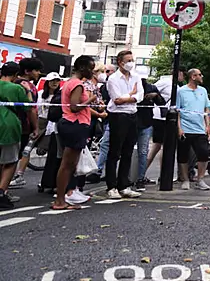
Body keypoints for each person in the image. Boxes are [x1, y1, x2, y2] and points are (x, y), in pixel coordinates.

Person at [53, 56, 102, 210]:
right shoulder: (77, 84)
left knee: (69, 164)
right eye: (90, 68)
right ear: (81, 68)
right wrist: (91, 99)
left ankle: (63, 198)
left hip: (72, 124)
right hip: (75, 124)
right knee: (67, 164)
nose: (92, 72)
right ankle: (60, 200)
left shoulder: (70, 82)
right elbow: (74, 107)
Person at [105, 50, 144, 199]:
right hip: (118, 116)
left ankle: (124, 184)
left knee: (128, 151)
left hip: (132, 115)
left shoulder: (136, 77)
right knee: (115, 151)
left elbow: (140, 95)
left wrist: (130, 97)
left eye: (132, 60)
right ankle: (111, 186)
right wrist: (131, 95)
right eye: (128, 60)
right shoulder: (113, 79)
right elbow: (117, 100)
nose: (131, 63)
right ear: (120, 62)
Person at [13, 72, 61, 185]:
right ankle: (19, 175)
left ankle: (48, 180)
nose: (55, 83)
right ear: (47, 82)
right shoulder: (40, 94)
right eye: (52, 80)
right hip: (40, 122)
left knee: (52, 152)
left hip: (53, 124)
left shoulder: (60, 96)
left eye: (57, 80)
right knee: (27, 149)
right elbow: (33, 109)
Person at [176, 69, 210, 191]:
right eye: (199, 75)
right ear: (193, 76)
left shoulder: (203, 91)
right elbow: (178, 111)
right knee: (183, 155)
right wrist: (179, 128)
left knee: (204, 153)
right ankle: (185, 179)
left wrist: (207, 125)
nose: (202, 76)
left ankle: (200, 179)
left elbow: (207, 109)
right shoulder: (181, 91)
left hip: (200, 128)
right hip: (186, 128)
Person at [8, 58, 41, 188]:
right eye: (36, 70)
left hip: (9, 123)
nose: (38, 73)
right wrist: (36, 127)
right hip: (23, 125)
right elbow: (31, 108)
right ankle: (4, 190)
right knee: (14, 158)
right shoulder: (29, 87)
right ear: (27, 71)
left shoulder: (12, 83)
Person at [0, 63, 28, 209]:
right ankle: (1, 193)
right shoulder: (16, 88)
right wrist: (28, 91)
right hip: (8, 124)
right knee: (10, 161)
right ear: (16, 75)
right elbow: (27, 107)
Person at [135, 78, 163, 190]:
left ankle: (140, 178)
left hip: (146, 123)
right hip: (132, 122)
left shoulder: (151, 88)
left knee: (143, 151)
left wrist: (155, 96)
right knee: (128, 151)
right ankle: (127, 178)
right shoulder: (132, 85)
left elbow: (162, 102)